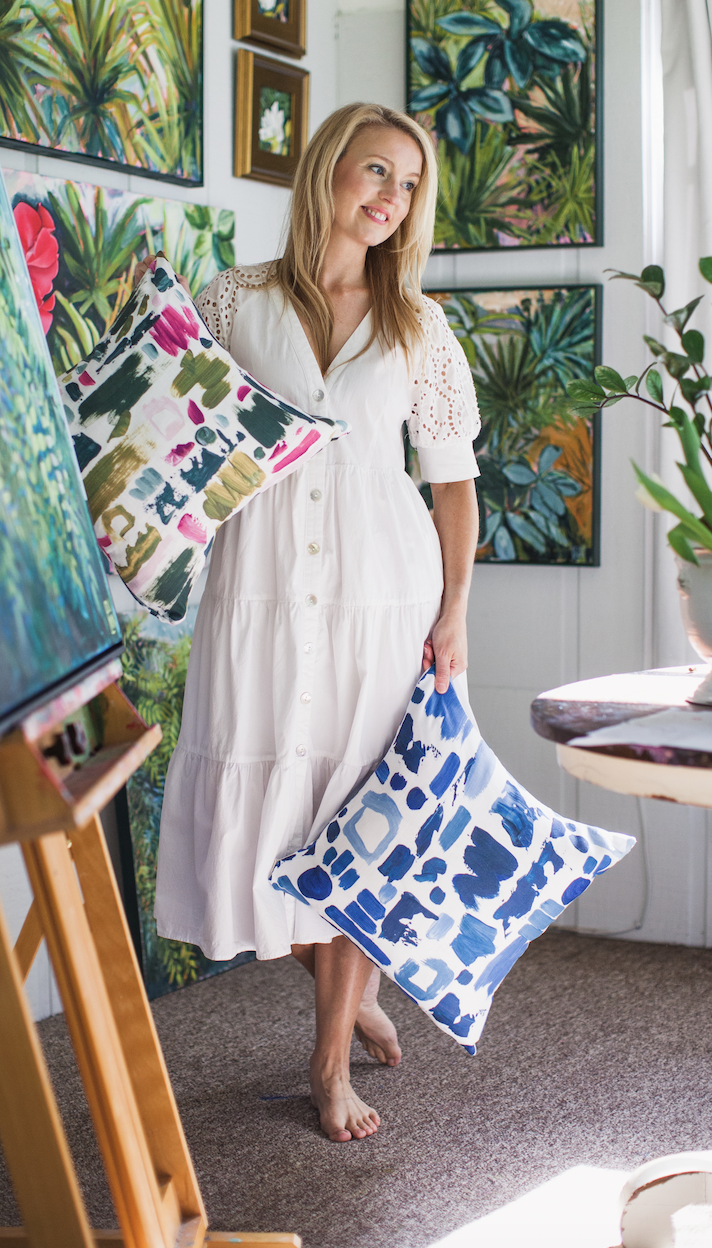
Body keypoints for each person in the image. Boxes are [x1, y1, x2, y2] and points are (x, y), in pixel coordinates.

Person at [154, 102, 480, 1142]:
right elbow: (180, 441)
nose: (389, 198)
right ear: (327, 170)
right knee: (265, 828)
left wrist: (454, 611)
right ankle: (345, 978)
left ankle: (328, 1060)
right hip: (256, 590)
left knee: (359, 824)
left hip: (382, 594)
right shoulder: (233, 300)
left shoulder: (418, 327)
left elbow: (453, 489)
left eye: (409, 185)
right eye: (374, 171)